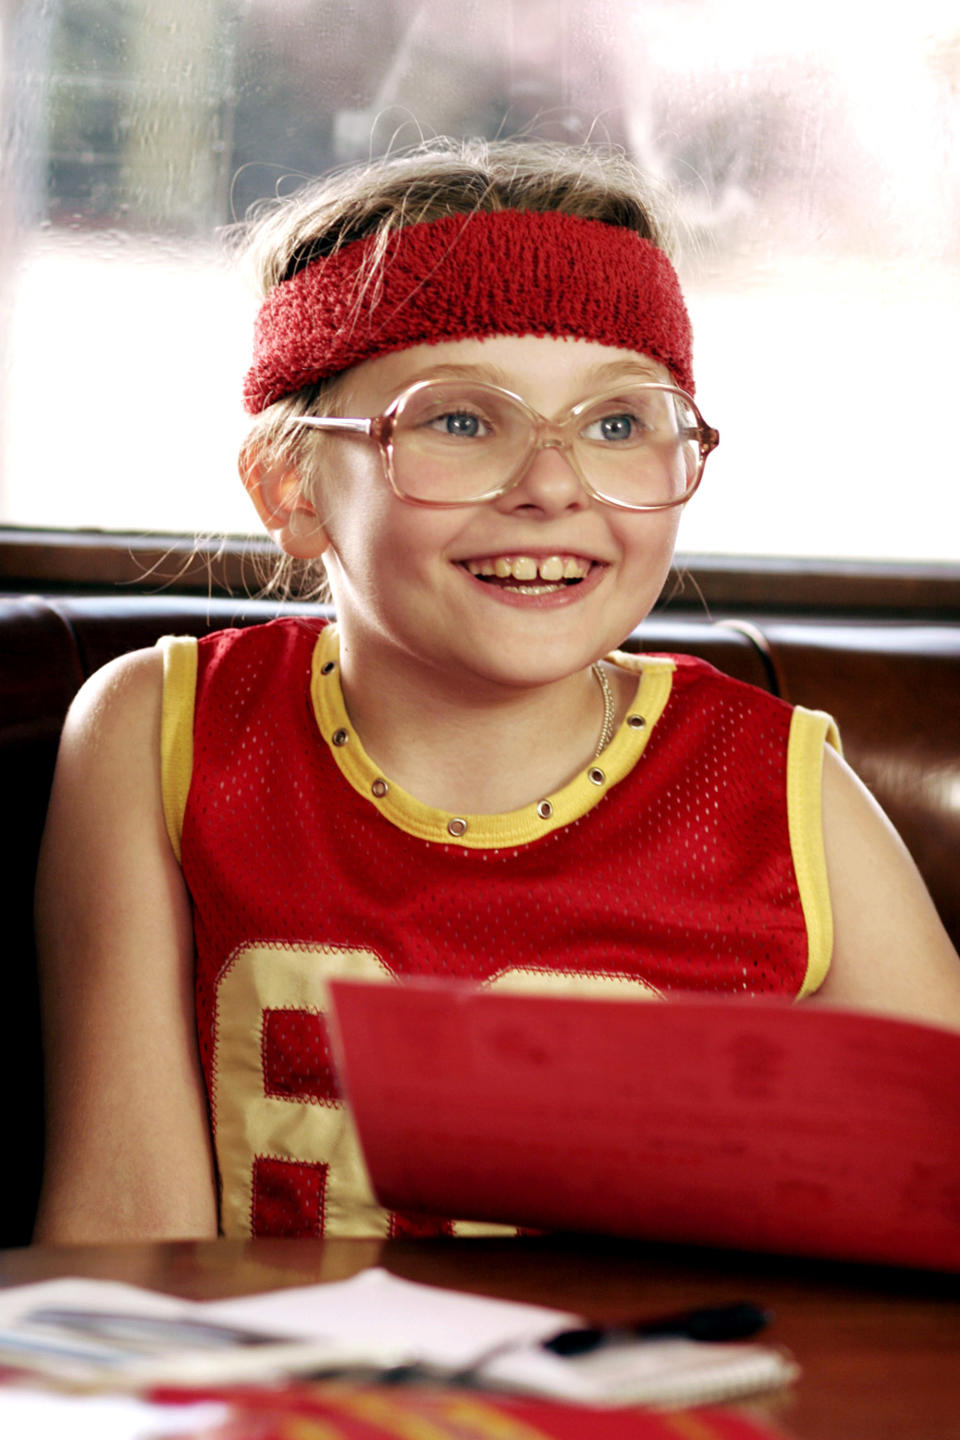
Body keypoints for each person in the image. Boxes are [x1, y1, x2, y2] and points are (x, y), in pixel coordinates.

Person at [34, 139, 960, 1244]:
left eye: (618, 424)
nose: (554, 487)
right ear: (291, 488)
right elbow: (119, 1238)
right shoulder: (158, 731)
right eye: (461, 421)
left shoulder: (788, 793)